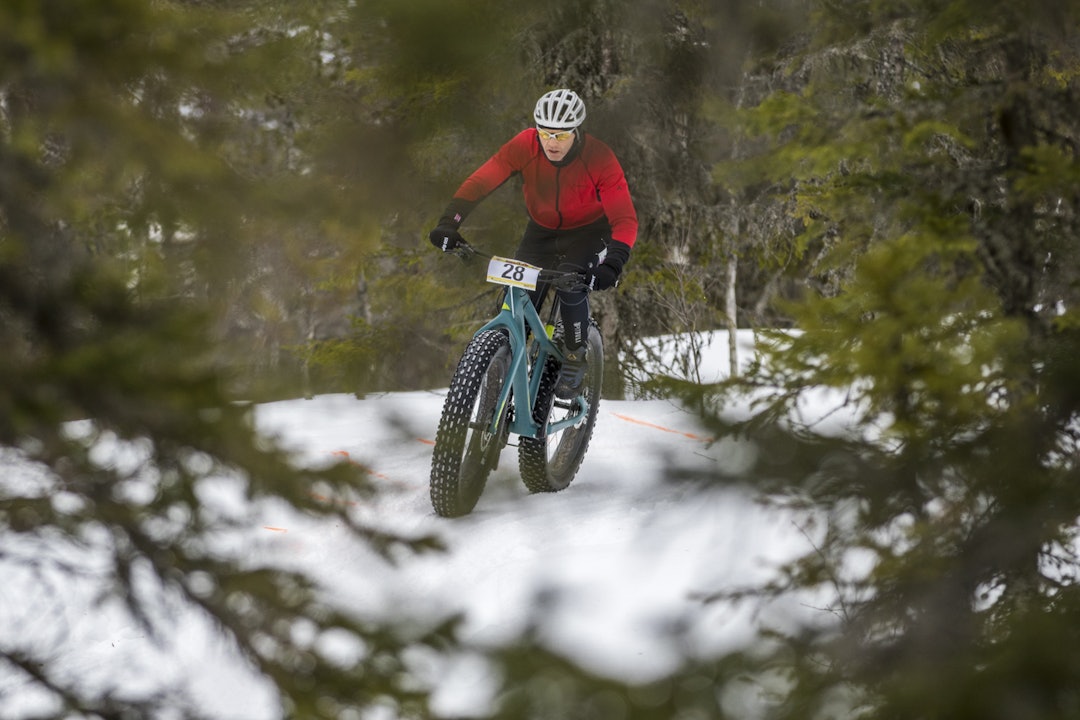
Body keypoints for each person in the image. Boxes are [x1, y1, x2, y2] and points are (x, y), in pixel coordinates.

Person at [428, 88, 638, 399]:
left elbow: (624, 218)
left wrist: (614, 263)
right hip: (541, 231)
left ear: (576, 132)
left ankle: (574, 354)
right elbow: (482, 180)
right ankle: (503, 366)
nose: (552, 142)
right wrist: (449, 222)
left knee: (570, 280)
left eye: (561, 135)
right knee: (518, 291)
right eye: (545, 133)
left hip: (591, 233)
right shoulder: (525, 145)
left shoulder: (599, 157)